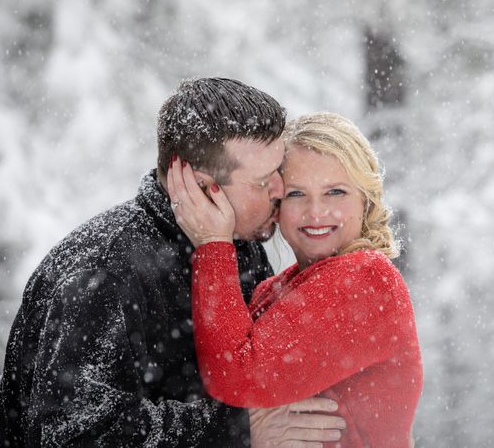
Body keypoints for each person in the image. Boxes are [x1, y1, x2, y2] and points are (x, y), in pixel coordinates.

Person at [0, 78, 346, 447]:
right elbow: (72, 433)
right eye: (264, 183)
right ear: (202, 187)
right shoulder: (102, 272)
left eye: (279, 172)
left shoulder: (238, 244)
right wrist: (236, 430)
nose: (282, 191)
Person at [167, 112, 424, 447]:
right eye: (296, 194)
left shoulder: (367, 280)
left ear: (366, 198)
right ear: (276, 205)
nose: (316, 212)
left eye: (335, 192)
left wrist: (213, 245)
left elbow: (237, 377)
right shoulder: (273, 289)